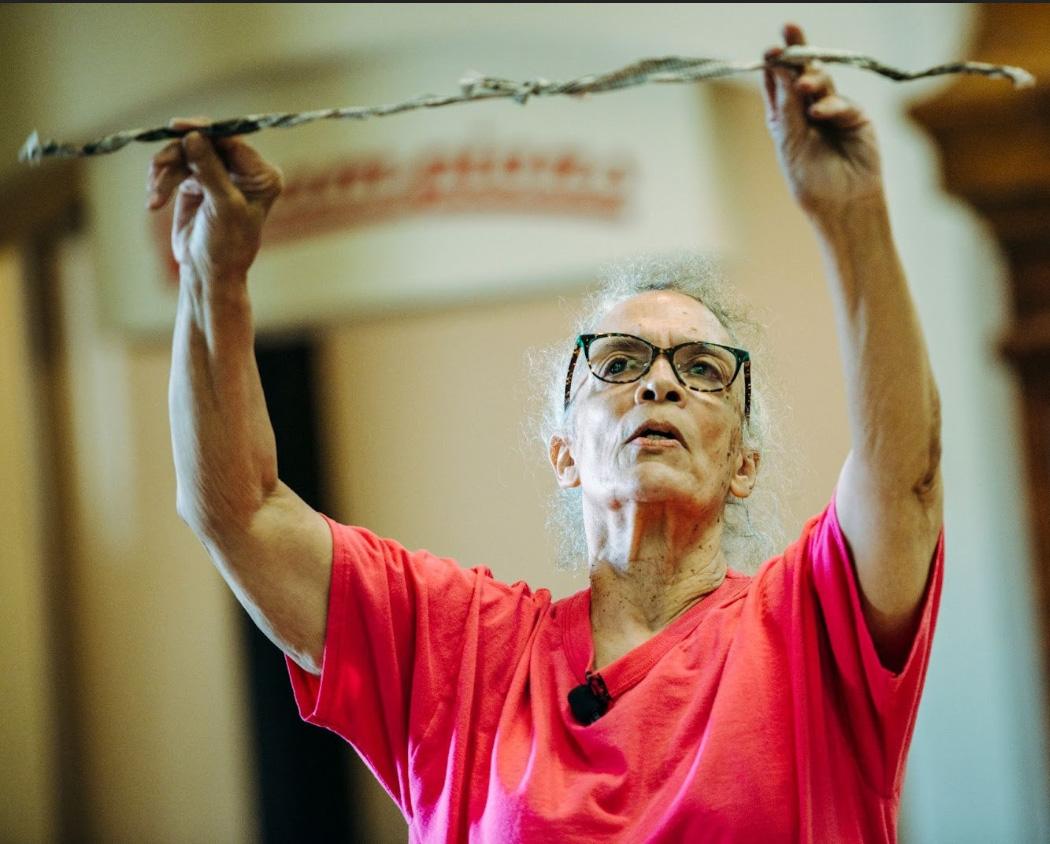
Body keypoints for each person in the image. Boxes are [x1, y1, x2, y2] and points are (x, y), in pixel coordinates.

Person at [149, 23, 943, 843]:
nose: (661, 380)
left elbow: (906, 481)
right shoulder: (465, 655)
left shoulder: (809, 629)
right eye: (620, 360)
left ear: (744, 464)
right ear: (564, 453)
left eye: (704, 368)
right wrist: (214, 280)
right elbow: (237, 510)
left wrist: (854, 220)